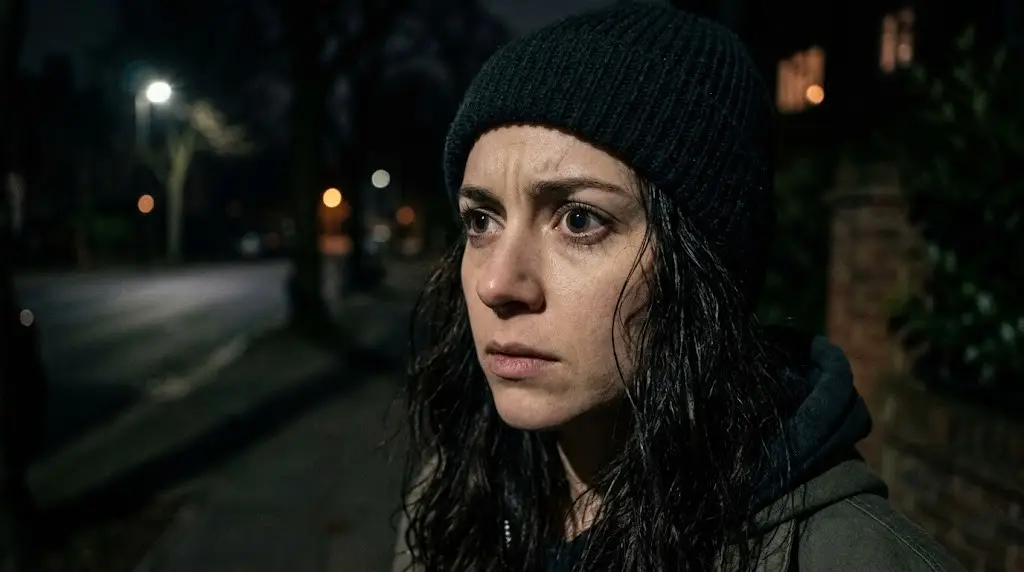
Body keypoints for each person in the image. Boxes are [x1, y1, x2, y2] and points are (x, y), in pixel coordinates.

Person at [393, 2, 964, 570]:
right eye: (481, 220)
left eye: (580, 220)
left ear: (703, 264)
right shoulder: (450, 501)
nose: (497, 282)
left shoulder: (852, 559)